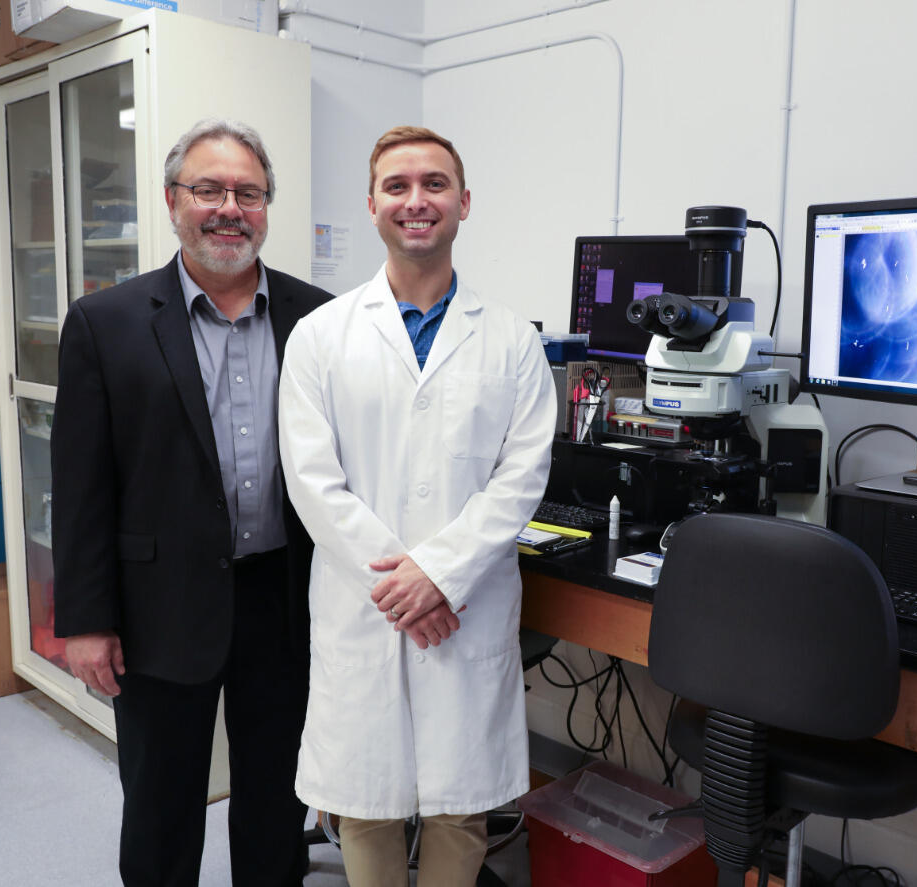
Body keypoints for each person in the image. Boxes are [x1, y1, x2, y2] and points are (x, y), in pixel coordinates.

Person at [51, 118, 331, 886]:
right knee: (161, 801)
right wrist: (84, 619)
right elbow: (79, 484)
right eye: (208, 189)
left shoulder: (318, 318)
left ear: (267, 206)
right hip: (156, 603)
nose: (228, 207)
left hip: (282, 599)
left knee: (277, 798)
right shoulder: (106, 323)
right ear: (174, 200)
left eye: (247, 191)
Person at [277, 126, 555, 887]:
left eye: (434, 184)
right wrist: (409, 585)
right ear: (371, 205)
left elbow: (521, 478)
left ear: (463, 202)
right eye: (396, 186)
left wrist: (439, 573)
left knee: (456, 808)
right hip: (364, 602)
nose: (415, 200)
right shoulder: (319, 337)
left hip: (461, 605)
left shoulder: (510, 342)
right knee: (362, 802)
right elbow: (312, 480)